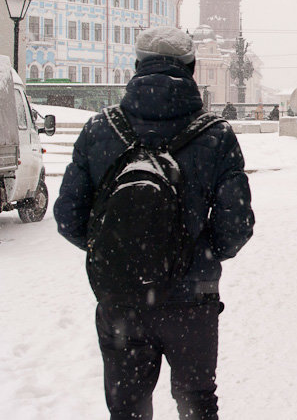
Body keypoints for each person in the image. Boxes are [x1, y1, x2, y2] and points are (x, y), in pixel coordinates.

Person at [54, 26, 254, 420]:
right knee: (197, 404)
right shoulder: (216, 135)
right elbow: (237, 223)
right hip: (192, 301)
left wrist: (119, 250)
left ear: (136, 67)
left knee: (127, 410)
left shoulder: (100, 130)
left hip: (121, 301)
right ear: (192, 68)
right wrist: (195, 256)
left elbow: (67, 217)